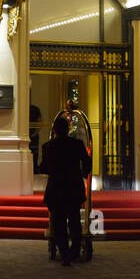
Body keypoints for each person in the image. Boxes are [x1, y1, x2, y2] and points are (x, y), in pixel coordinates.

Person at [41, 114, 90, 266]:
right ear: (68, 129)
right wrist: (81, 174)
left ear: (54, 130)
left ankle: (64, 253)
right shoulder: (77, 144)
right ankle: (74, 250)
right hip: (74, 187)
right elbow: (87, 163)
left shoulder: (48, 146)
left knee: (58, 222)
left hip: (56, 189)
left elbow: (43, 168)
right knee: (74, 220)